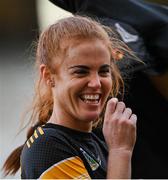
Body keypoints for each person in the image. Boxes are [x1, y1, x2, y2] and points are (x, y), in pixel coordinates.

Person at [3, 16, 137, 179]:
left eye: (103, 71)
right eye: (81, 71)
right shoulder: (47, 148)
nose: (96, 83)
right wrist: (120, 152)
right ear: (48, 76)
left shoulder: (98, 142)